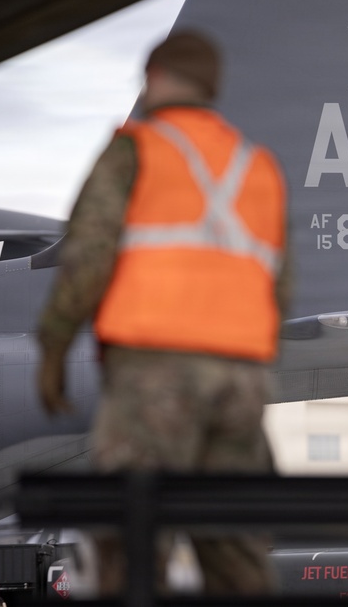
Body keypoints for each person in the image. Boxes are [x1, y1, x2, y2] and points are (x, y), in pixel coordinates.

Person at [35, 30, 291, 595]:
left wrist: (52, 349)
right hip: (239, 383)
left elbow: (87, 257)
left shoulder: (135, 150)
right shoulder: (259, 168)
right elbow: (281, 287)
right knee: (235, 548)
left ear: (154, 78)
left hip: (155, 376)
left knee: (132, 538)